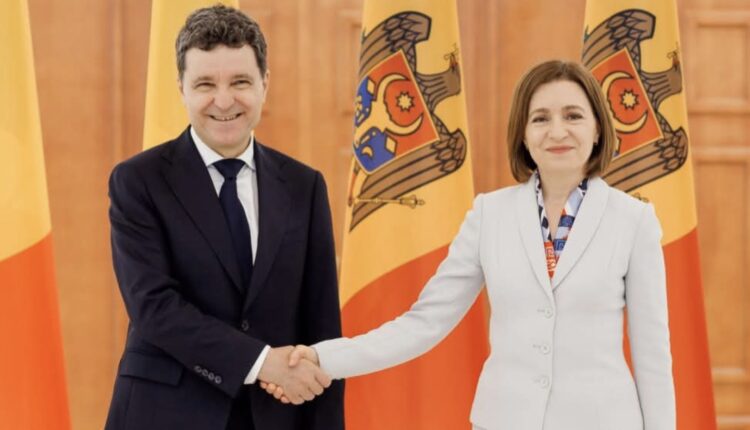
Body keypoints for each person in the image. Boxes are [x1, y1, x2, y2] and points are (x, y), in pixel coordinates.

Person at [265, 60, 676, 430]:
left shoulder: (634, 221)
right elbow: (423, 323)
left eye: (573, 116)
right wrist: (324, 358)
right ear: (523, 134)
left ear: (598, 128)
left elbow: (652, 356)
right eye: (540, 118)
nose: (557, 131)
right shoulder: (489, 215)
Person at [104, 5, 344, 430]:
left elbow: (321, 325)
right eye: (205, 84)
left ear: (265, 83)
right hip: (164, 415)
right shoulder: (138, 181)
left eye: (240, 82)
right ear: (181, 88)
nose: (224, 100)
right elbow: (154, 308)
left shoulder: (304, 186)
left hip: (275, 418)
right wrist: (261, 362)